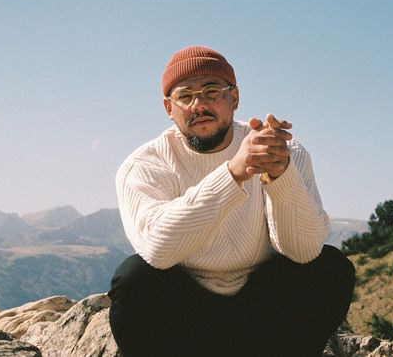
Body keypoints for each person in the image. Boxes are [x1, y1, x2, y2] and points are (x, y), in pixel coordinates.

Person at [108, 45, 355, 357]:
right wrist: (234, 173)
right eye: (185, 96)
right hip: (185, 313)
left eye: (212, 91)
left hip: (262, 310)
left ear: (233, 98)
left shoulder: (281, 152)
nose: (199, 105)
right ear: (168, 108)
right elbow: (158, 250)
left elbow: (303, 251)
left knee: (330, 269)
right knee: (134, 279)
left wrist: (280, 177)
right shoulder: (144, 165)